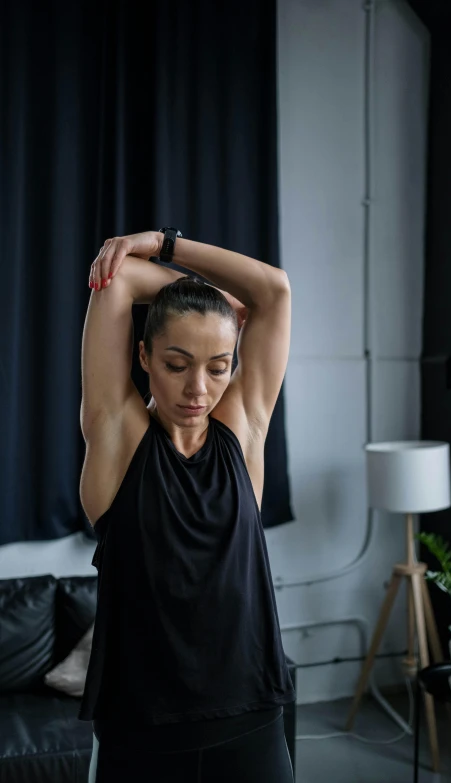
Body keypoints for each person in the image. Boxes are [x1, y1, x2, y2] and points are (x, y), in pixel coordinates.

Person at [78, 229, 295, 782]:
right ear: (144, 355)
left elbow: (274, 291)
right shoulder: (117, 439)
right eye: (177, 364)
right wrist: (213, 304)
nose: (199, 388)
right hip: (141, 736)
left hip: (252, 722)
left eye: (219, 366)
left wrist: (162, 242)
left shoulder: (243, 434)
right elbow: (121, 279)